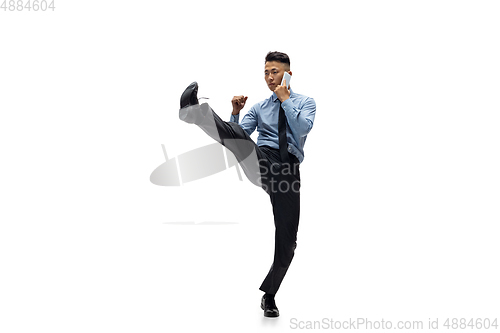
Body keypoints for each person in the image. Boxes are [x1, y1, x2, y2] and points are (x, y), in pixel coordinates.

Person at [178, 51, 316, 317]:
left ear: (288, 74)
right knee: (239, 133)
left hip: (288, 173)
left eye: (274, 71)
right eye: (265, 72)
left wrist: (285, 100)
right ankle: (193, 112)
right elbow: (236, 138)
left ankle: (270, 295)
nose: (269, 77)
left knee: (288, 243)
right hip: (262, 161)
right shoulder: (258, 108)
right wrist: (235, 114)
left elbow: (302, 129)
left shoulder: (306, 102)